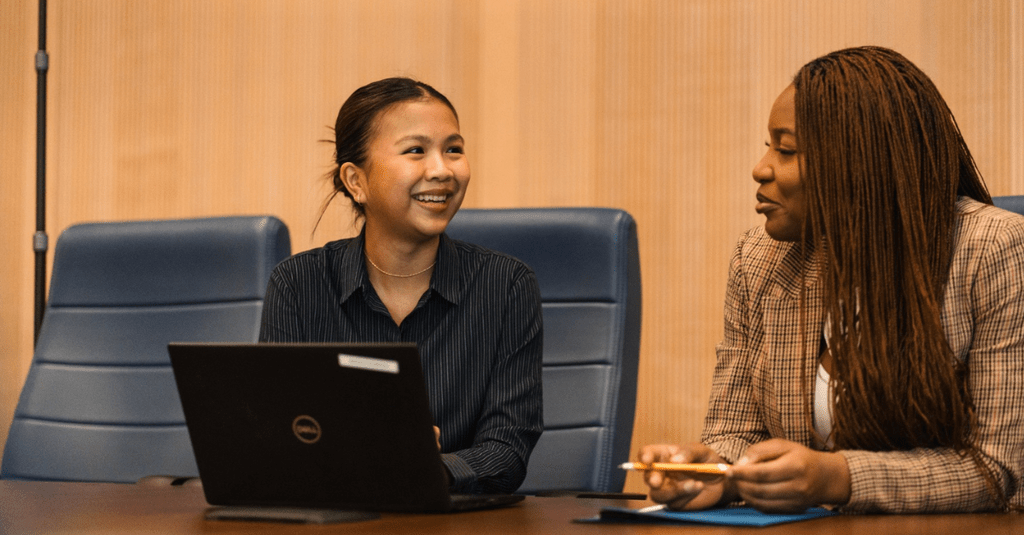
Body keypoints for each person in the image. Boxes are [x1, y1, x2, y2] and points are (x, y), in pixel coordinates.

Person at [639, 46, 1024, 514]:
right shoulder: (758, 259)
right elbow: (735, 430)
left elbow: (994, 468)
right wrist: (716, 475)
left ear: (861, 161)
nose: (761, 168)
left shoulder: (993, 248)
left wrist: (837, 477)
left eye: (786, 150)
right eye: (768, 146)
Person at [259, 77, 543, 494]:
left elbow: (507, 451)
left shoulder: (507, 286)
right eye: (416, 151)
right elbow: (275, 440)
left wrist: (426, 468)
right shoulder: (298, 285)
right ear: (356, 181)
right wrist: (374, 460)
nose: (442, 170)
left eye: (454, 150)